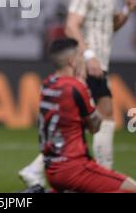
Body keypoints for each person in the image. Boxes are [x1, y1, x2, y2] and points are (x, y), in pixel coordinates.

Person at [19, 0, 136, 189]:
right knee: (104, 118)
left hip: (98, 62)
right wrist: (89, 55)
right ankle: (103, 172)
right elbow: (71, 25)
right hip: (86, 64)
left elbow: (109, 26)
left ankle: (38, 168)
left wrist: (126, 10)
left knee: (88, 121)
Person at [40, 38, 136, 193]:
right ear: (72, 61)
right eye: (80, 55)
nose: (82, 59)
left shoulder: (47, 84)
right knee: (131, 189)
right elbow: (95, 127)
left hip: (51, 168)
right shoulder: (76, 87)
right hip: (75, 168)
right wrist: (101, 89)